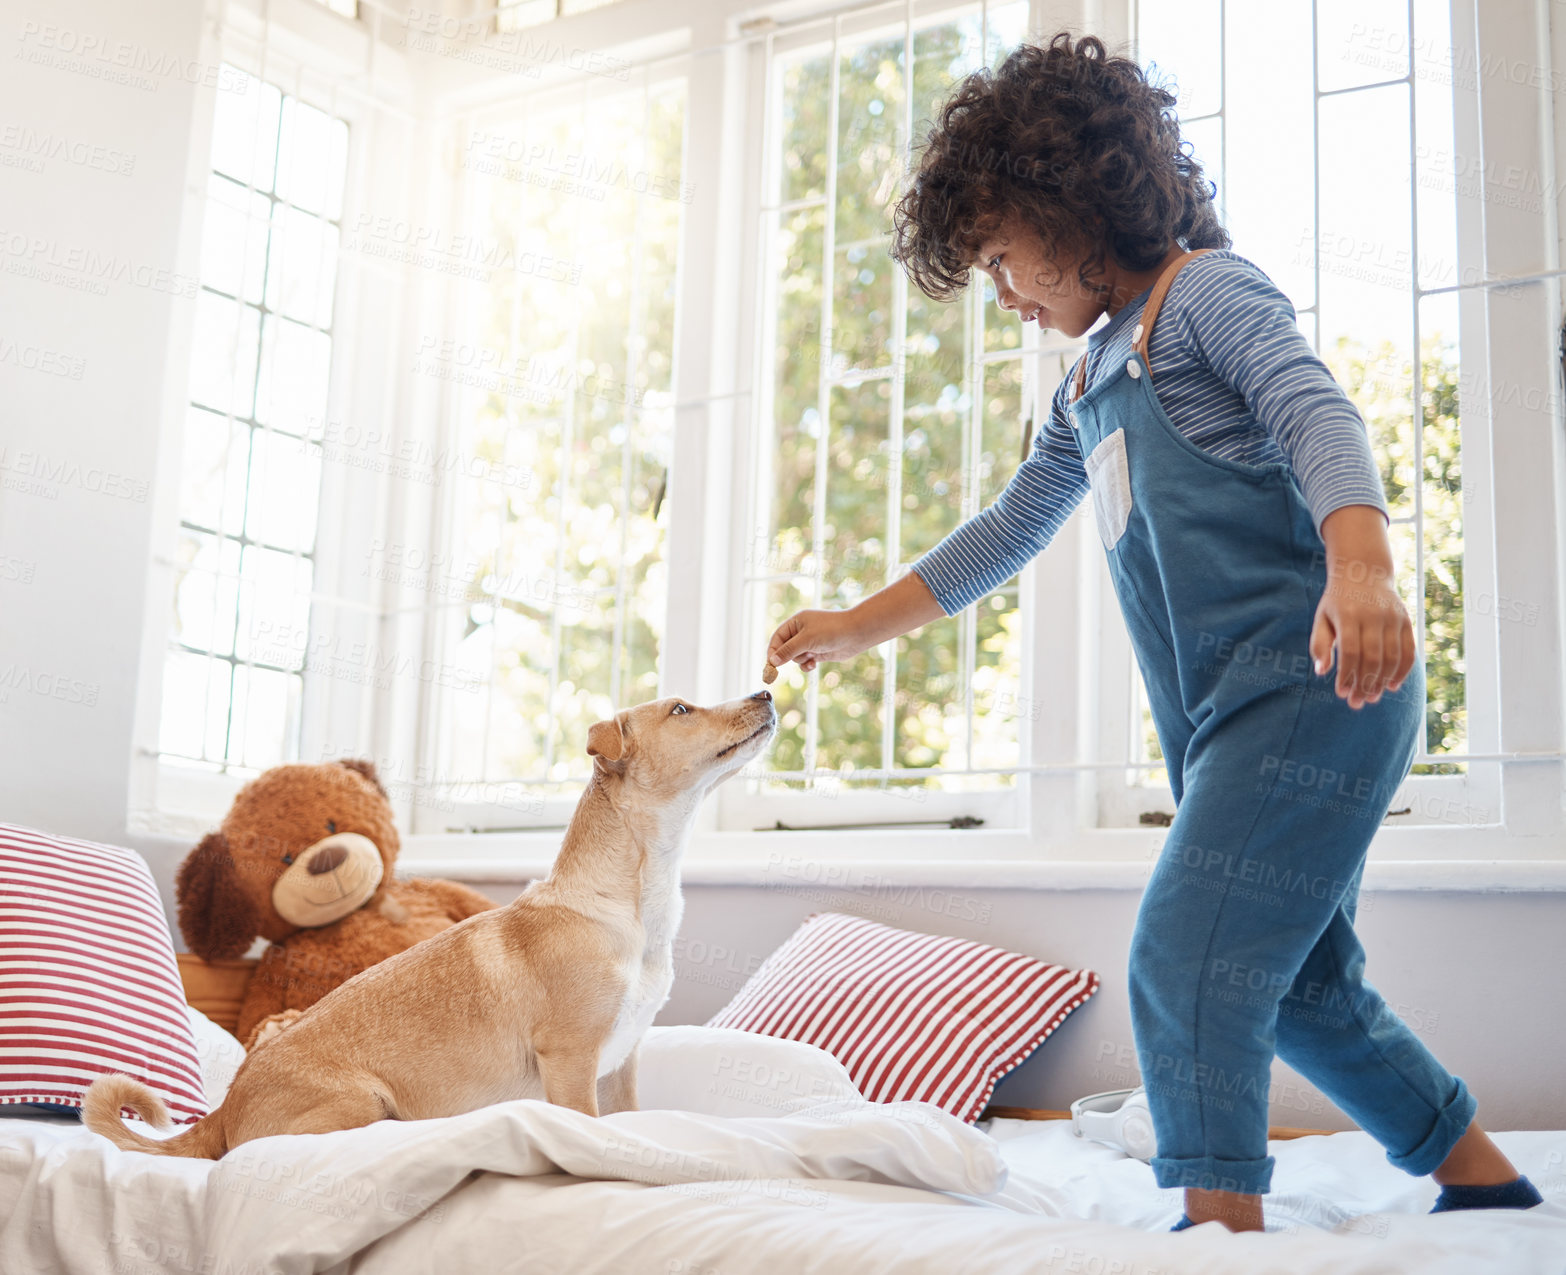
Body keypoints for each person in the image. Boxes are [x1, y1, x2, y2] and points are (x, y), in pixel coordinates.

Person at [765, 32, 1542, 1233]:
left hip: (1320, 683)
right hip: (1227, 722)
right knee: (1303, 988)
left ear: (1067, 207)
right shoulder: (1086, 385)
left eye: (1004, 259)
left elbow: (1312, 407)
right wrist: (860, 629)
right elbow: (1011, 528)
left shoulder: (1205, 297)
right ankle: (1484, 1180)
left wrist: (1365, 564)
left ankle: (1217, 1228)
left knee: (1185, 956)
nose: (1008, 294)